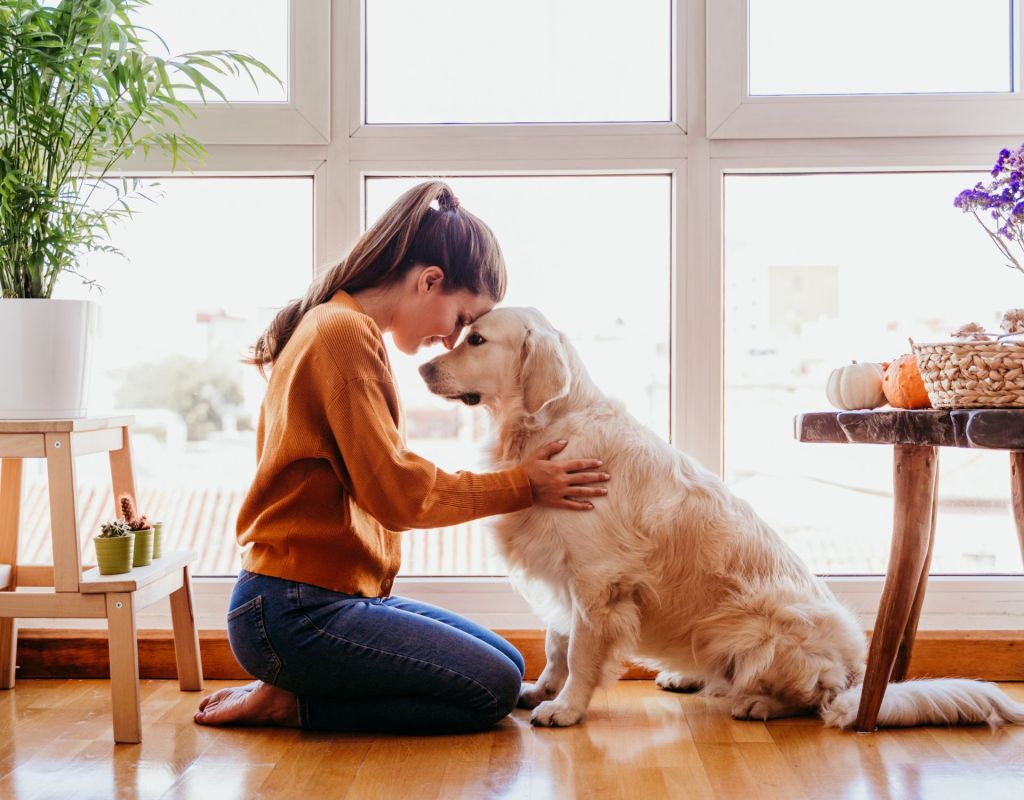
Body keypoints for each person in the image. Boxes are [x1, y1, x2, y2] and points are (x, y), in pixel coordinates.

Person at [193, 180, 610, 733]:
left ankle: (295, 683)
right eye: (461, 320)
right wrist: (523, 484)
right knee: (491, 690)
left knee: (509, 665)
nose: (450, 340)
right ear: (429, 280)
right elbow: (398, 495)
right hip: (292, 611)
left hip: (322, 599)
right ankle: (293, 701)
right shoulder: (342, 336)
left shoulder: (340, 324)